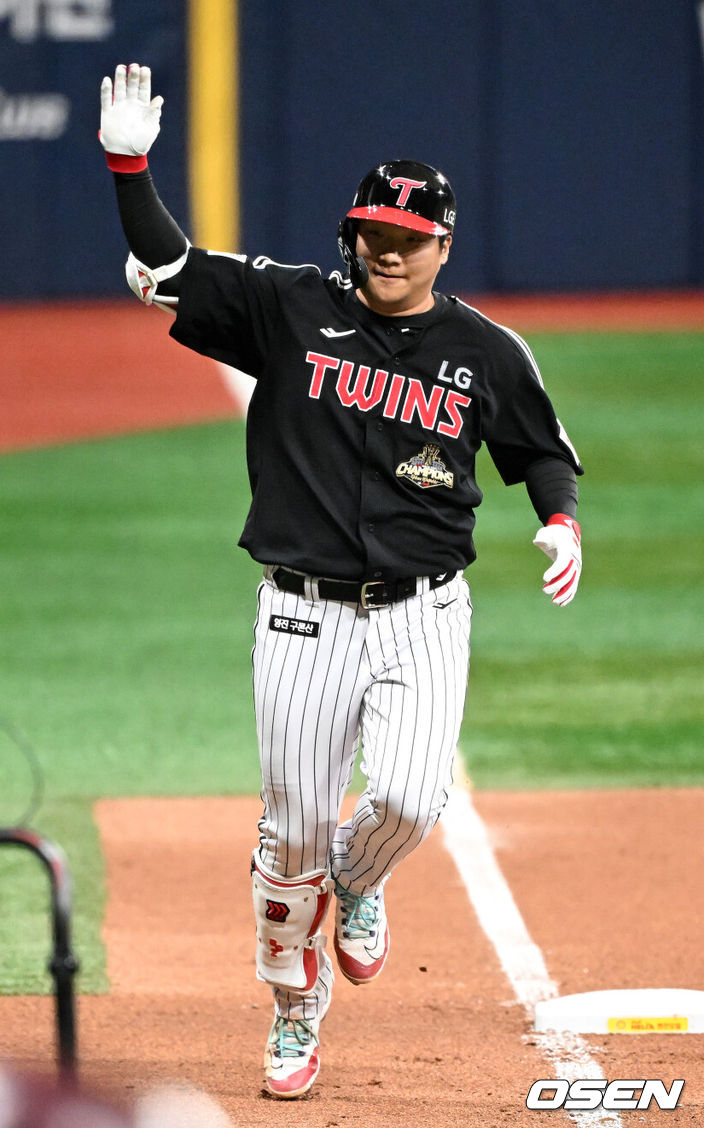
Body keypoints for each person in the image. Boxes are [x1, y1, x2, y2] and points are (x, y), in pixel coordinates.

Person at [98, 64, 584, 1099]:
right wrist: (129, 168)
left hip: (423, 615)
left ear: (442, 245)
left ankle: (355, 886)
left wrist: (559, 523)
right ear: (351, 234)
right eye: (373, 233)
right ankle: (291, 1010)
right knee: (288, 830)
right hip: (301, 618)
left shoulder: (485, 352)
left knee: (409, 798)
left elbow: (541, 450)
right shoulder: (286, 305)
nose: (388, 251)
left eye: (408, 239)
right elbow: (167, 265)